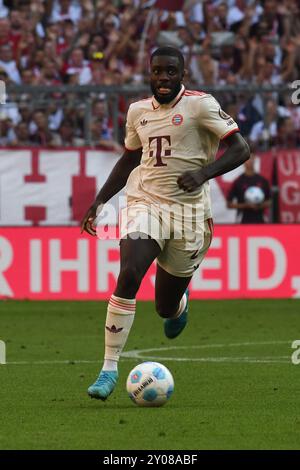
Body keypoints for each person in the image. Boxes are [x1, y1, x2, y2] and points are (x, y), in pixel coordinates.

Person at [81, 46, 250, 401]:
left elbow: (240, 149)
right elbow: (129, 160)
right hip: (146, 203)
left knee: (164, 307)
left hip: (189, 215)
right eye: (157, 71)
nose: (163, 78)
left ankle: (179, 306)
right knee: (129, 273)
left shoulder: (201, 105)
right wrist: (100, 200)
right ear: (150, 73)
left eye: (171, 72)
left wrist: (204, 173)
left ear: (182, 74)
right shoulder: (137, 111)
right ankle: (109, 368)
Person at [227, 150, 271, 223]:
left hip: (260, 219)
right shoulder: (238, 182)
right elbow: (229, 204)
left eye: (251, 158)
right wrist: (246, 206)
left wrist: (260, 206)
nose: (249, 161)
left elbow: (269, 201)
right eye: (247, 159)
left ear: (255, 160)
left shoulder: (262, 180)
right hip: (243, 219)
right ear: (243, 161)